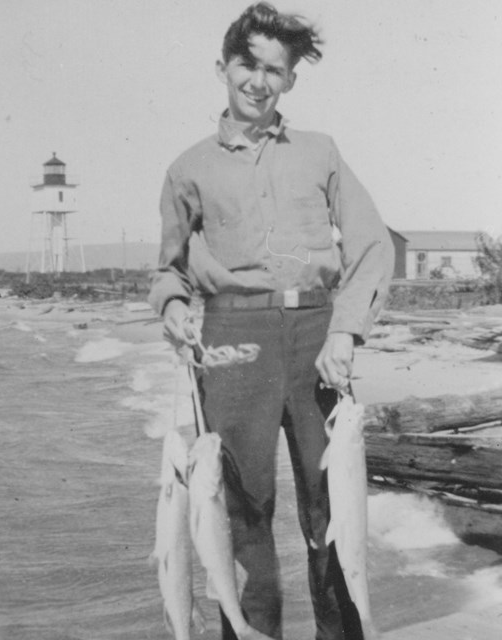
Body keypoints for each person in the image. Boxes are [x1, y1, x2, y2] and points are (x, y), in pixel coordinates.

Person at [149, 3, 394, 639]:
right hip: (233, 343)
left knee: (332, 512)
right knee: (241, 516)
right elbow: (168, 271)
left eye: (274, 70)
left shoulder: (321, 152)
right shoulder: (187, 169)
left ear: (290, 80)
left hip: (318, 336)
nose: (258, 81)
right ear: (223, 67)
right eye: (246, 65)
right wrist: (175, 308)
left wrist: (345, 329)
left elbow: (372, 246)